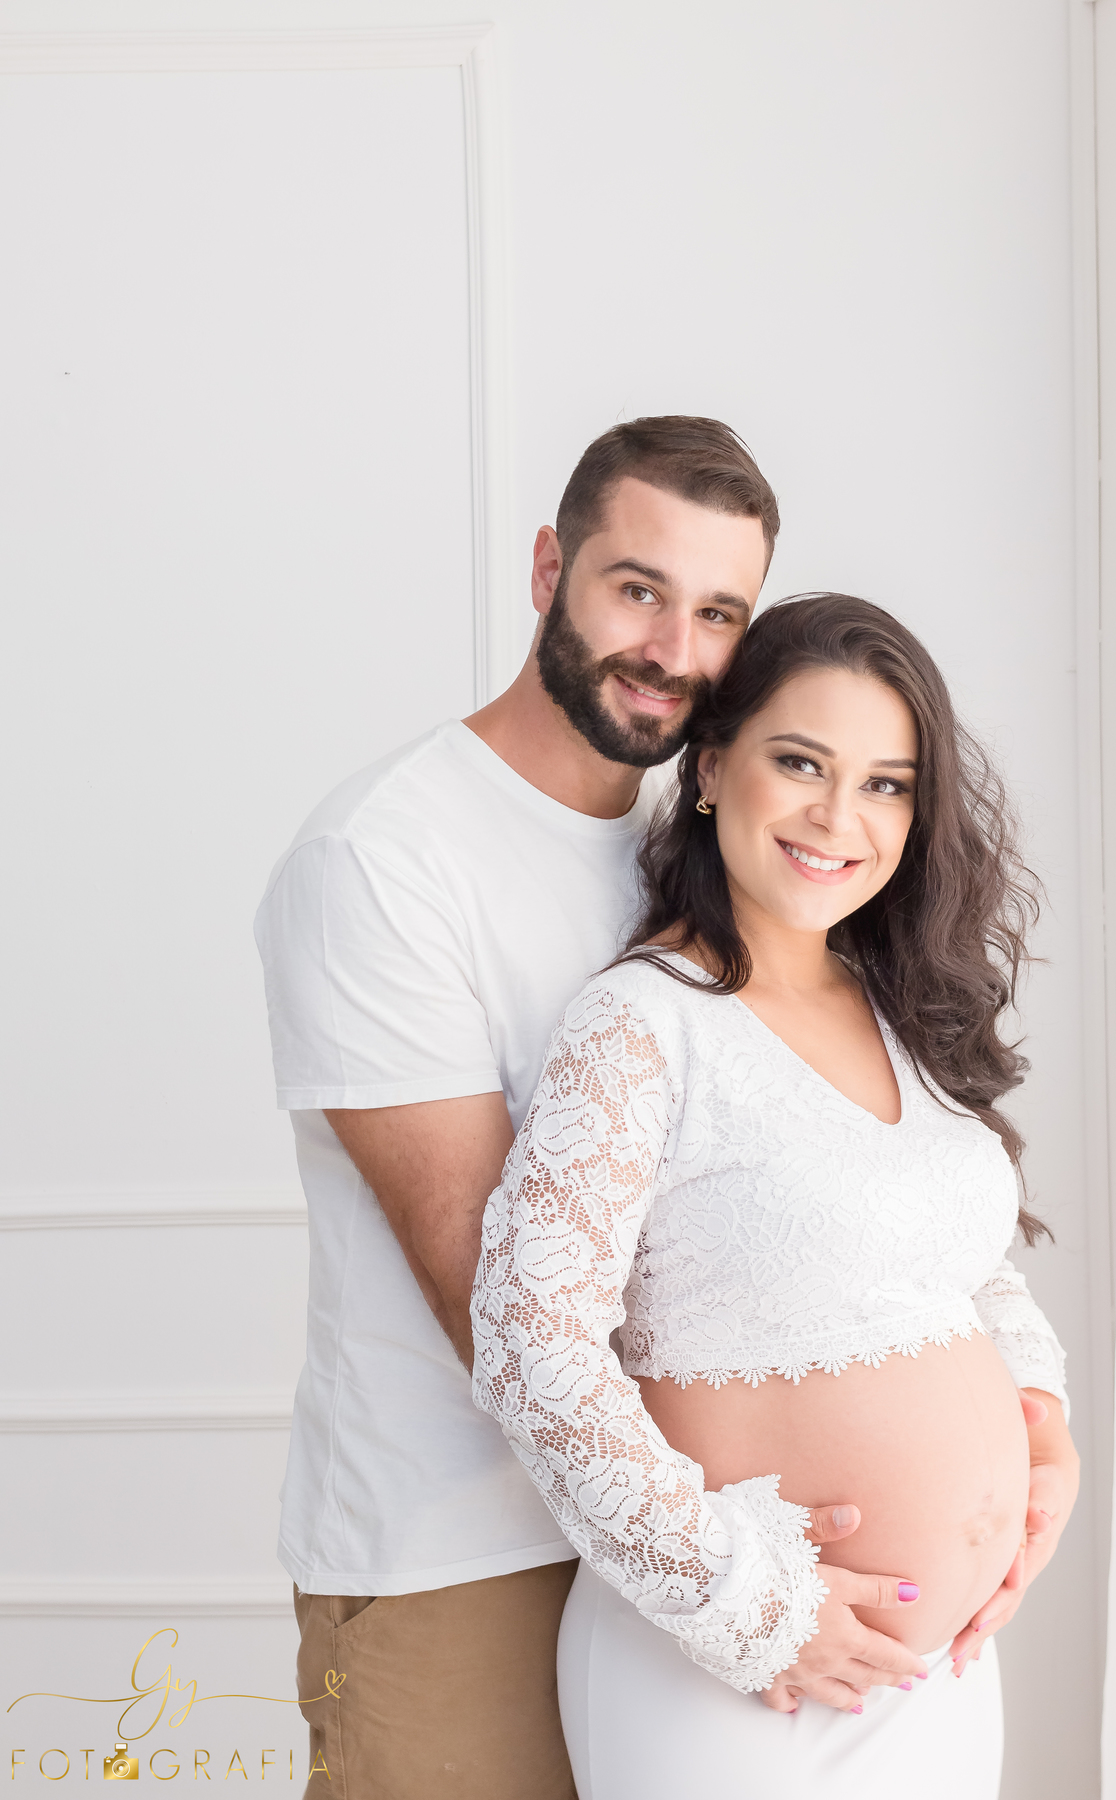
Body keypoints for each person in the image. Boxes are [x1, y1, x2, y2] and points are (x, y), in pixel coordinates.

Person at [471, 594, 1081, 1800]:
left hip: (938, 1673)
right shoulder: (640, 1024)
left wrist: (1042, 1430)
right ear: (708, 770)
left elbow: (961, 1271)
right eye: (800, 763)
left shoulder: (895, 1010)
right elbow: (530, 1342)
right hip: (739, 1674)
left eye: (886, 784)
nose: (838, 818)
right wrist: (750, 1604)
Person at [253, 416, 785, 1800]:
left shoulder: (708, 854)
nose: (672, 648)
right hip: (461, 1556)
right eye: (636, 588)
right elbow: (487, 1290)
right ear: (550, 565)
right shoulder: (384, 860)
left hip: (688, 1525)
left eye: (719, 612)